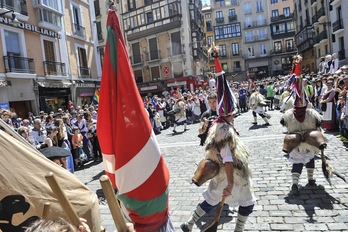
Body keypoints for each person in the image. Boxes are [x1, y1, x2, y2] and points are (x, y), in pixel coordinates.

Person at [181, 46, 255, 232]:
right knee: (248, 204)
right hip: (230, 175)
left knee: (210, 200)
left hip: (220, 173)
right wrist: (230, 183)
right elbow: (228, 159)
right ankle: (238, 230)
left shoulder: (218, 124)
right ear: (230, 112)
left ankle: (189, 223)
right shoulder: (224, 130)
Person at [280, 54, 326, 196]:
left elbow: (284, 125)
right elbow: (319, 124)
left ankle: (295, 183)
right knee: (310, 158)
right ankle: (311, 179)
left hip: (295, 143)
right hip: (310, 141)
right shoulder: (312, 113)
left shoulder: (287, 115)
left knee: (297, 163)